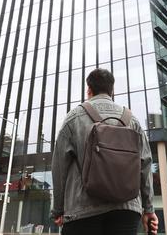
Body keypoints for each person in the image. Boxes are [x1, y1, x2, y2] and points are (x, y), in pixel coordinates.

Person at [51, 68, 159, 235]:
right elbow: (145, 165)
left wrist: (57, 209)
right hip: (127, 211)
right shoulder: (132, 121)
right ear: (112, 90)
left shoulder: (74, 118)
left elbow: (59, 167)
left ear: (89, 90)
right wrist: (149, 209)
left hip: (83, 211)